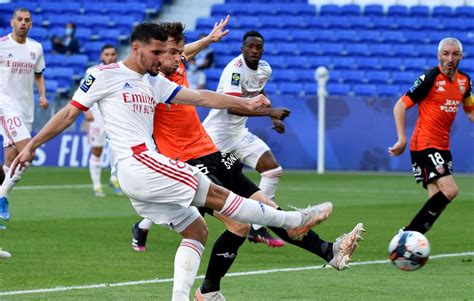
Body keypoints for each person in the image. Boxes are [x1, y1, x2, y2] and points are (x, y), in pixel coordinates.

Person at [11, 22, 339, 301]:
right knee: (222, 199)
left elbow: (200, 97)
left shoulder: (155, 81)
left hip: (141, 175)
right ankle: (295, 218)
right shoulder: (103, 74)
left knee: (196, 230)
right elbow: (69, 113)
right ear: (137, 48)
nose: (164, 59)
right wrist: (32, 145)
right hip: (139, 161)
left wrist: (251, 104)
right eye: (156, 53)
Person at [131, 21, 365, 301]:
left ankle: (331, 252)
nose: (178, 57)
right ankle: (207, 290)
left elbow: (187, 52)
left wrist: (209, 39)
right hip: (186, 162)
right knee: (238, 224)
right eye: (171, 52)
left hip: (211, 151)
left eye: (179, 51)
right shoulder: (151, 81)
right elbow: (205, 98)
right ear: (155, 53)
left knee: (265, 207)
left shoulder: (176, 60)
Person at [202, 30, 290, 239]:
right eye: (249, 46)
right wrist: (270, 112)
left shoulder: (264, 69)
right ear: (242, 49)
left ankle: (258, 227)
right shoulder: (235, 70)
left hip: (239, 133)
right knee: (195, 185)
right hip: (216, 135)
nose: (254, 50)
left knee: (272, 171)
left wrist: (273, 117)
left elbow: (259, 92)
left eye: (258, 47)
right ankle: (143, 226)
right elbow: (232, 107)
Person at [389, 37, 473, 235]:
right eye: (446, 53)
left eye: (455, 54)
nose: (450, 58)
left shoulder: (464, 81)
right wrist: (402, 138)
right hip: (425, 144)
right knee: (450, 191)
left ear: (461, 56)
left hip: (443, 146)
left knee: (436, 202)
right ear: (438, 55)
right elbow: (400, 106)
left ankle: (412, 242)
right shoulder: (430, 78)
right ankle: (408, 234)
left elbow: (470, 111)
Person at [0, 8, 49, 222]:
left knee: (13, 158)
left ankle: (1, 194)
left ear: (31, 24)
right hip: (5, 104)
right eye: (19, 19)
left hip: (26, 107)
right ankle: (2, 196)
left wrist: (43, 96)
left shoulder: (36, 48)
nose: (23, 23)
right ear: (12, 22)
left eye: (27, 20)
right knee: (28, 152)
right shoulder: (2, 45)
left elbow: (38, 75)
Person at [82, 44, 123, 197]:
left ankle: (114, 179)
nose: (110, 57)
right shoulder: (92, 72)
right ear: (101, 56)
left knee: (118, 149)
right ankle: (97, 185)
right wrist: (85, 111)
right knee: (97, 151)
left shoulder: (121, 72)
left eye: (113, 54)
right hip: (97, 118)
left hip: (115, 118)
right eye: (107, 54)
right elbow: (82, 92)